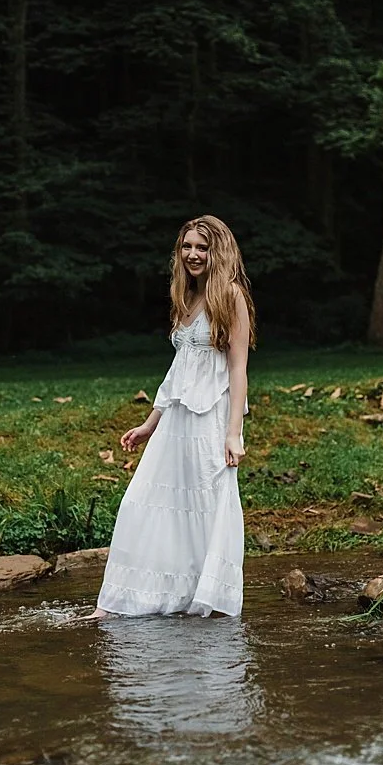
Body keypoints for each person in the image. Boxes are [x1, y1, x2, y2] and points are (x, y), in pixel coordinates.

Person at [92, 215, 253, 618]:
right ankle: (123, 601)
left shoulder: (231, 296)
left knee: (203, 504)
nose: (194, 255)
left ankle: (204, 595)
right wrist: (151, 422)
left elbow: (237, 368)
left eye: (202, 247)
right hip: (176, 422)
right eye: (187, 247)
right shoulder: (185, 298)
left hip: (209, 421)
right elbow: (180, 369)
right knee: (144, 502)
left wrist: (234, 433)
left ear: (217, 251)